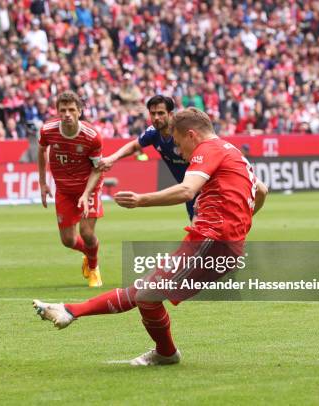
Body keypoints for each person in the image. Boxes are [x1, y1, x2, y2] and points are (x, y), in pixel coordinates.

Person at [34, 108, 268, 365]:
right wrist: (240, 226)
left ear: (191, 135)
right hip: (221, 241)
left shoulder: (207, 150)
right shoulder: (233, 151)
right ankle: (75, 312)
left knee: (147, 294)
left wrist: (140, 200)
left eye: (179, 144)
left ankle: (160, 351)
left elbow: (187, 190)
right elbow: (262, 191)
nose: (179, 152)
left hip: (212, 239)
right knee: (147, 293)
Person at [38, 91, 104, 287]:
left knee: (86, 233)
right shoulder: (48, 131)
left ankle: (93, 268)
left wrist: (85, 195)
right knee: (67, 240)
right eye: (63, 110)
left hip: (88, 188)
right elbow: (42, 150)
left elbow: (97, 169)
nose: (67, 114)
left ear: (80, 111)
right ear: (57, 111)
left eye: (71, 110)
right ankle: (89, 253)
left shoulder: (92, 137)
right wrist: (42, 182)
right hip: (64, 190)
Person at [98, 95, 195, 220]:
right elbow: (134, 145)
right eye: (152, 113)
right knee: (199, 229)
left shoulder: (185, 133)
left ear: (171, 114)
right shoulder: (153, 133)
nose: (156, 118)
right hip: (189, 191)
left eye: (161, 113)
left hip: (205, 188)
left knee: (203, 231)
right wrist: (112, 158)